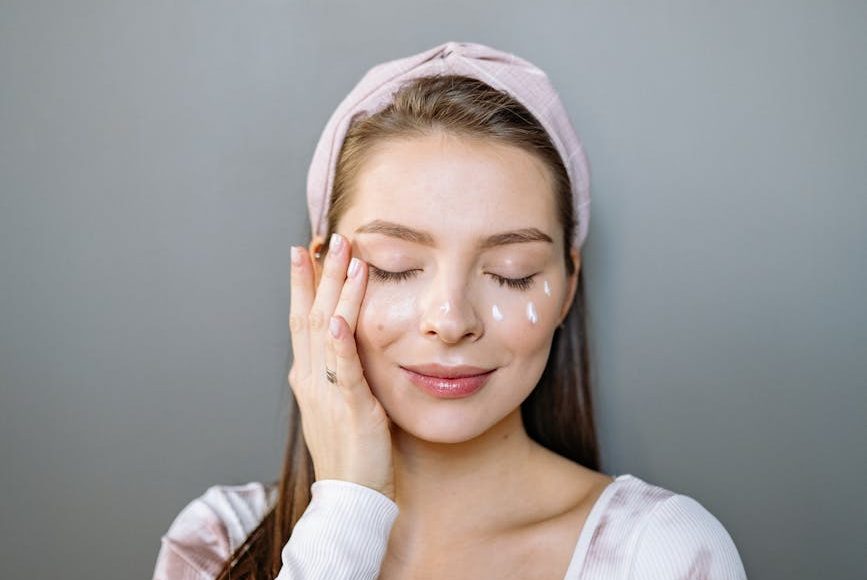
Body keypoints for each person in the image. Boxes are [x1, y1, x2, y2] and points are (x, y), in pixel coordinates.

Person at [152, 41, 747, 579]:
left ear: (567, 287)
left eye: (510, 273)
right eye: (394, 265)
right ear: (319, 275)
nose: (452, 319)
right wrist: (347, 513)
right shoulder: (217, 543)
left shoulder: (662, 554)